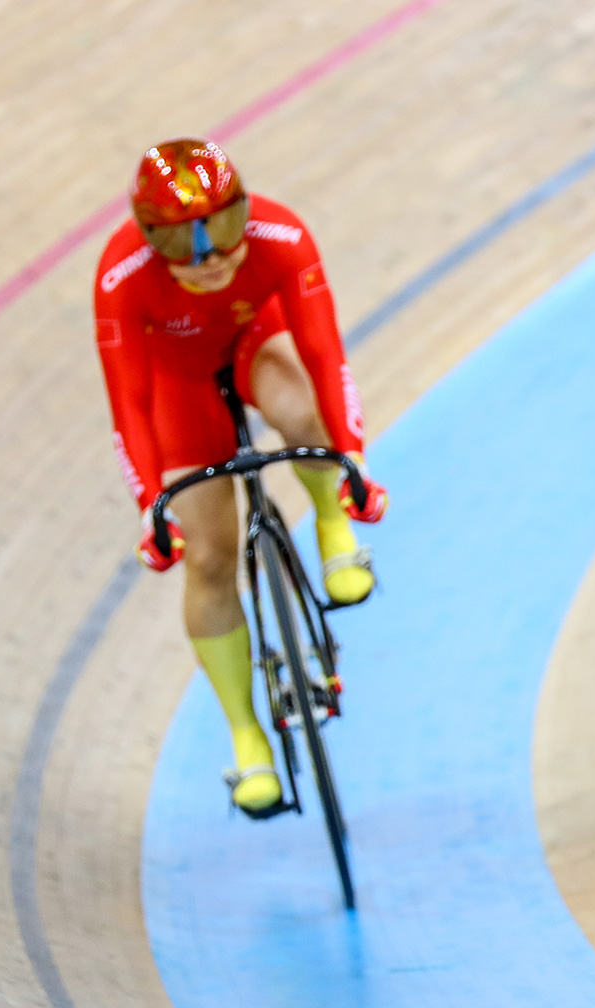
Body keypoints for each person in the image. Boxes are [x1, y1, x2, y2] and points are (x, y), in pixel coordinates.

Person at [94, 138, 386, 814]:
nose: (209, 256)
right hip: (178, 387)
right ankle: (248, 738)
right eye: (180, 241)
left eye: (222, 229)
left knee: (300, 405)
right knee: (210, 556)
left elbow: (324, 353)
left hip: (258, 341)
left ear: (244, 211)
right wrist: (151, 508)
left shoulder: (281, 237)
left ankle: (334, 526)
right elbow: (129, 405)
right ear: (146, 238)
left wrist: (355, 464)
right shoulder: (121, 278)